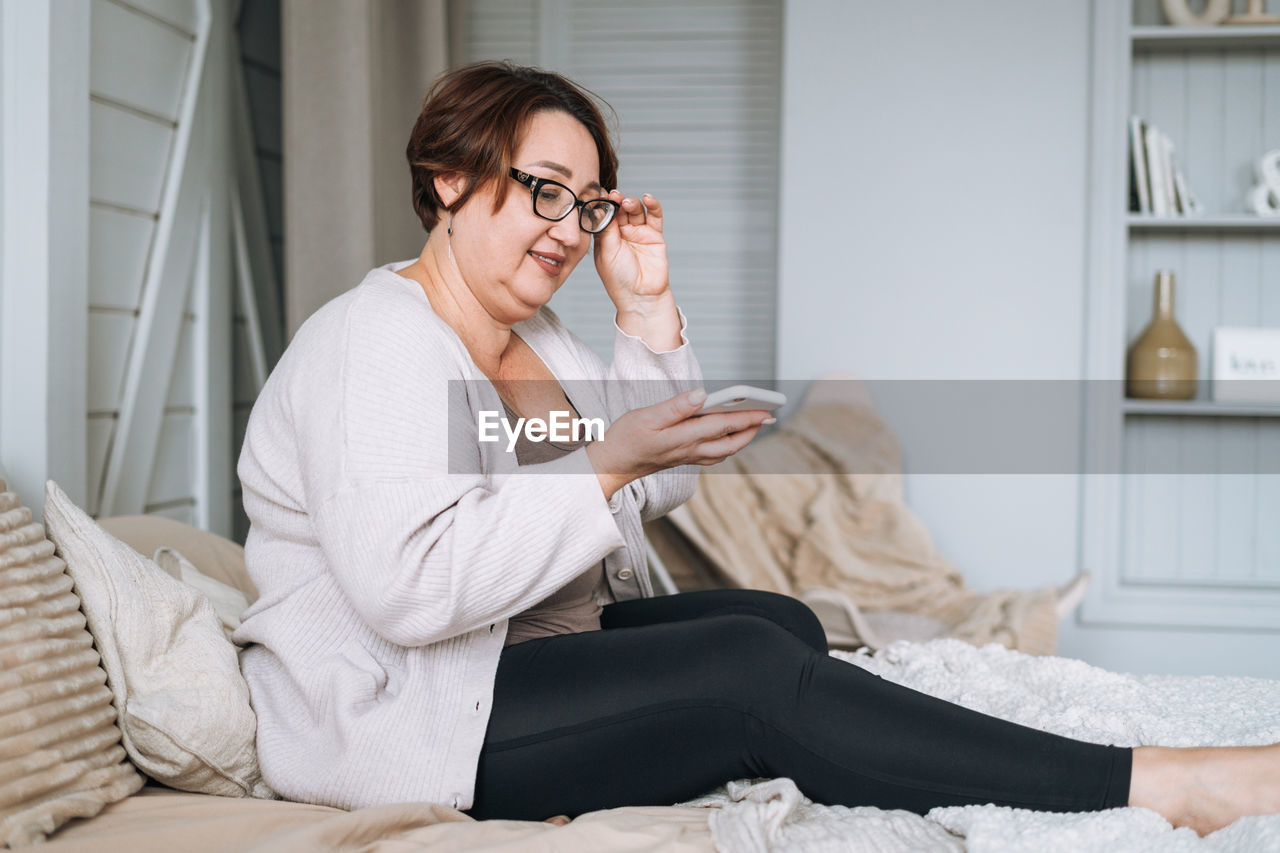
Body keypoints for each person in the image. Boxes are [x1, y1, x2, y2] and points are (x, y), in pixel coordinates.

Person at [233, 61, 1280, 838]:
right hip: (413, 714)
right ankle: (1153, 782)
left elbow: (659, 483)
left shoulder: (527, 340)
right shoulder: (371, 342)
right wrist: (606, 463)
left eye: (585, 203)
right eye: (542, 188)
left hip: (516, 658)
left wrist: (642, 311)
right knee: (742, 669)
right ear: (449, 179)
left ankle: (846, 735)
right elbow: (405, 590)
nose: (566, 227)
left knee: (773, 619)